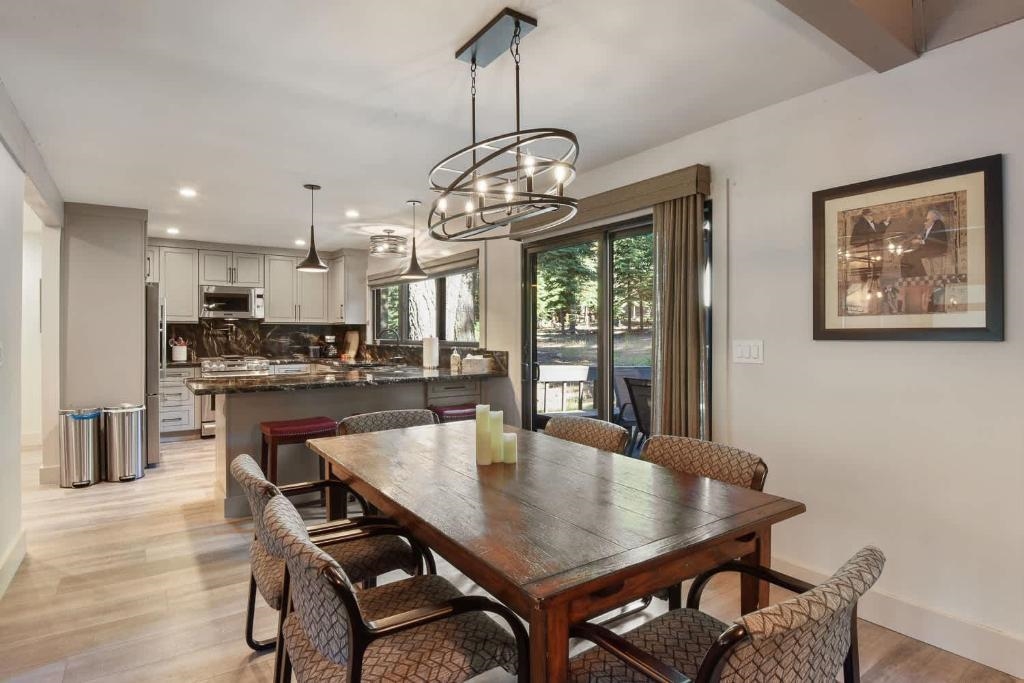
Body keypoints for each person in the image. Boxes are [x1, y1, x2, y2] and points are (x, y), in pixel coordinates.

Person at [902, 209, 948, 277]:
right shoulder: (929, 227)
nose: (926, 221)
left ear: (934, 218)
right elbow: (927, 238)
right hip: (928, 248)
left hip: (937, 248)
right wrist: (920, 238)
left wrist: (920, 241)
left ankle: (922, 276)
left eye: (928, 219)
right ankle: (908, 276)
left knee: (915, 256)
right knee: (905, 256)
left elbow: (934, 239)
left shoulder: (938, 223)